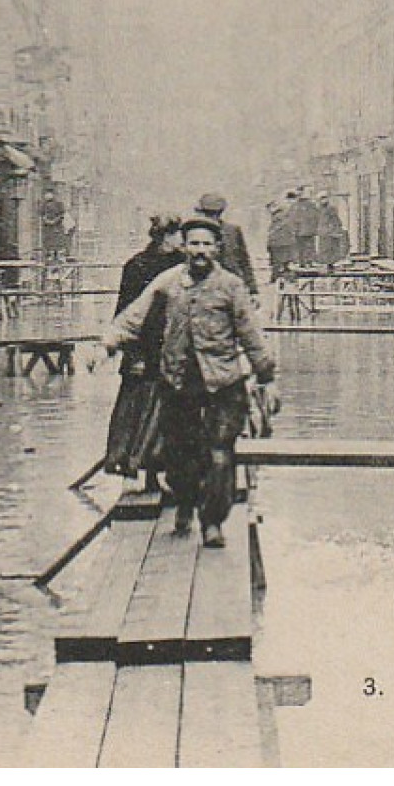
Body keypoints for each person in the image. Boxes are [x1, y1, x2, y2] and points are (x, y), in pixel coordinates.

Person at [104, 217, 278, 548]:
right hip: (179, 382)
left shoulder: (231, 287)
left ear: (217, 248)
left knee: (220, 454)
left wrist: (267, 377)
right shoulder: (167, 283)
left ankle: (212, 522)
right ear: (184, 247)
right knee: (179, 455)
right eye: (193, 244)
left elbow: (251, 334)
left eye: (206, 244)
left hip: (223, 382)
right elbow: (134, 317)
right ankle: (184, 502)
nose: (199, 251)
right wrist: (108, 342)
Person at [103, 215, 185, 480]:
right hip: (144, 345)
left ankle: (163, 472)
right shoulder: (136, 266)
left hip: (172, 346)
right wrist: (130, 350)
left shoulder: (183, 266)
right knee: (139, 410)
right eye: (177, 235)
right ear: (165, 236)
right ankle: (137, 469)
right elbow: (125, 311)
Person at [195, 192, 258, 296]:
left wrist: (253, 290)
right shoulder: (195, 232)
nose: (212, 217)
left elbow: (244, 261)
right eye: (208, 213)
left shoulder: (232, 231)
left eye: (215, 213)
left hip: (232, 285)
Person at [267, 192, 296, 283]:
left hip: (280, 243)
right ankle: (282, 277)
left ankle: (276, 278)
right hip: (282, 243)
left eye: (270, 207)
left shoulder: (279, 216)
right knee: (282, 263)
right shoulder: (279, 215)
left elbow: (277, 230)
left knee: (278, 262)